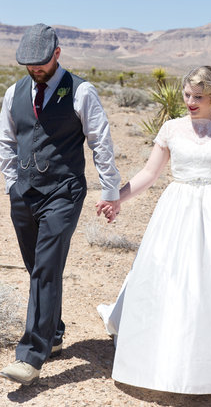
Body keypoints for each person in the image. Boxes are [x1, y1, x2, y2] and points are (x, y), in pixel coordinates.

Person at [97, 65, 211, 394]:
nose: (191, 102)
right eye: (186, 95)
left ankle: (210, 360)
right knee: (169, 278)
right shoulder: (171, 128)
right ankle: (165, 353)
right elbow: (149, 173)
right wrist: (118, 198)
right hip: (177, 209)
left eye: (198, 96)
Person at [0, 23, 121, 386]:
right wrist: (11, 184)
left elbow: (100, 142)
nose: (34, 69)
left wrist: (109, 190)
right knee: (37, 266)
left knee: (46, 268)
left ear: (57, 54)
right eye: (28, 64)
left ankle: (31, 355)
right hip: (23, 193)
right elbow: (6, 141)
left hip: (63, 192)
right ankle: (52, 333)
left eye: (40, 63)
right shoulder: (14, 92)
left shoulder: (81, 91)